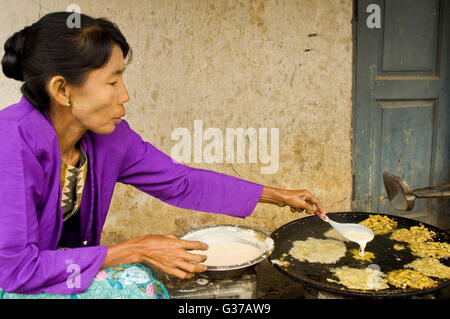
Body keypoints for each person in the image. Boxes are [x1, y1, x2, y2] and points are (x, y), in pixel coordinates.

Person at [0, 12, 326, 299]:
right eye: (112, 81)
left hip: (58, 269)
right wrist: (136, 248)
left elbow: (180, 182)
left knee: (142, 277)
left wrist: (277, 196)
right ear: (62, 90)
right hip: (14, 282)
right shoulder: (11, 141)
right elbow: (15, 271)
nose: (125, 95)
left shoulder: (108, 139)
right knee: (139, 285)